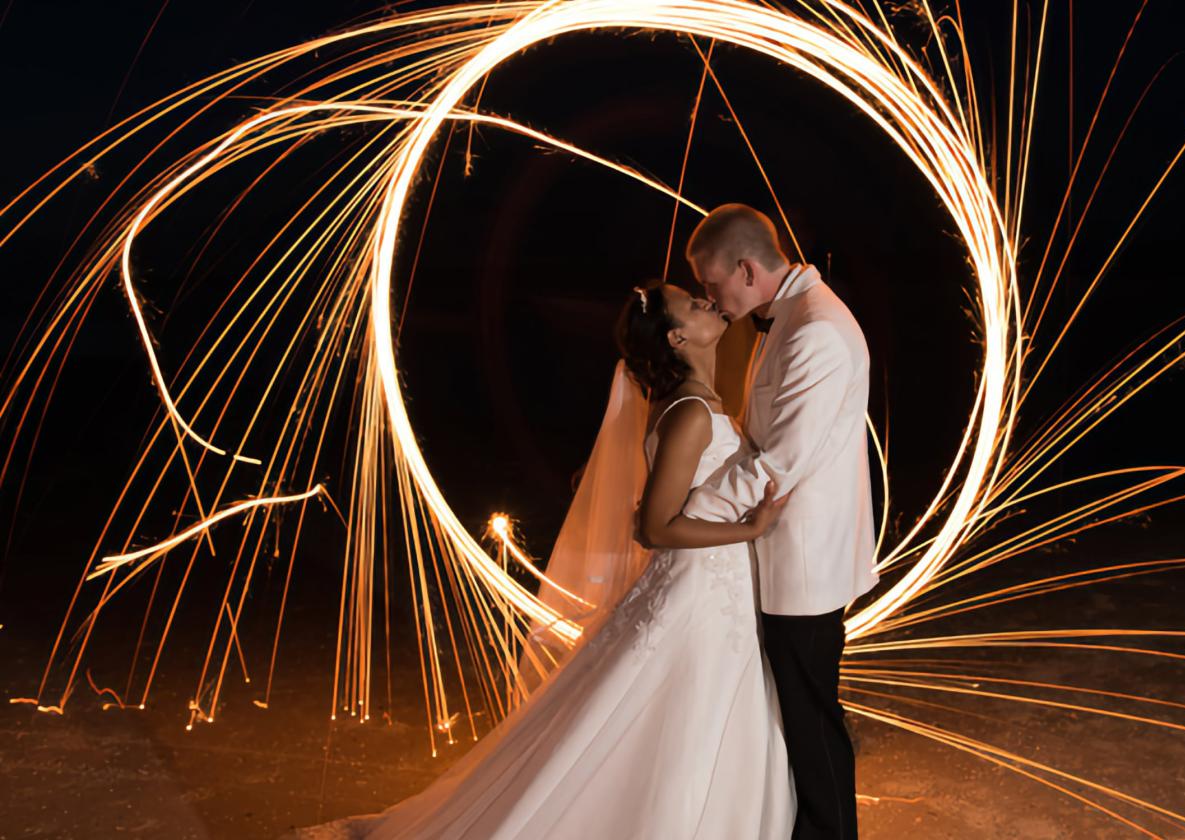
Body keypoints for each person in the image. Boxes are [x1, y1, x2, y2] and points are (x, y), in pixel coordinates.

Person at [288, 281, 797, 839]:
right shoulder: (691, 413)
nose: (706, 302)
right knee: (679, 727)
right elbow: (654, 527)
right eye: (692, 304)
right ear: (678, 337)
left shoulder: (695, 405)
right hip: (697, 600)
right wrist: (748, 528)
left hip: (712, 596)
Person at [680, 203, 880, 840]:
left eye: (712, 286)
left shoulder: (815, 328)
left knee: (811, 718)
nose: (710, 299)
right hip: (786, 549)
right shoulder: (793, 317)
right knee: (795, 712)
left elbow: (778, 461)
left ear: (745, 268)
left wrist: (689, 513)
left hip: (804, 563)